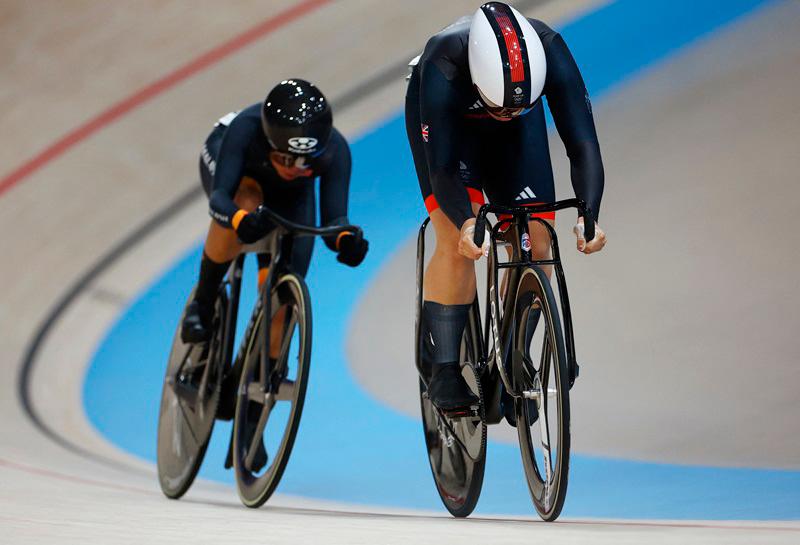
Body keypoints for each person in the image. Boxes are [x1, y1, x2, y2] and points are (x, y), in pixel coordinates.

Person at [406, 2, 607, 413]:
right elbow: (443, 168)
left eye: (514, 106)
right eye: (500, 107)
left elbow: (583, 145)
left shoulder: (549, 49)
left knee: (538, 241)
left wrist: (590, 215)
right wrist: (465, 222)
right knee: (456, 240)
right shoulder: (443, 59)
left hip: (517, 133)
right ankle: (443, 367)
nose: (505, 114)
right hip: (451, 125)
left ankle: (516, 355)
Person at [183, 79, 369, 470]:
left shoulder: (333, 151)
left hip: (290, 198)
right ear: (271, 141)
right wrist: (236, 218)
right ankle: (203, 299)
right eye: (285, 158)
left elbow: (335, 221)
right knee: (245, 205)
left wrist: (346, 242)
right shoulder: (246, 130)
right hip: (236, 172)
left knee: (280, 298)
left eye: (303, 161)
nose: (293, 167)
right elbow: (220, 199)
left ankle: (251, 416)